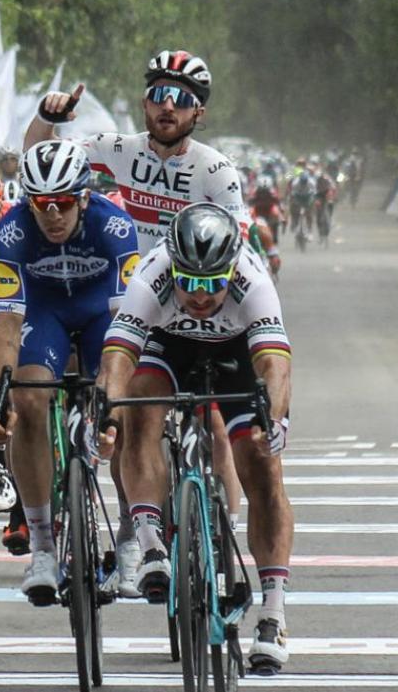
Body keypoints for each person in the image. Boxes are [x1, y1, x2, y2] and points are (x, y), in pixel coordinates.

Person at [27, 49, 250, 594]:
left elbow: (236, 247)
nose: (167, 106)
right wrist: (47, 117)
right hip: (135, 298)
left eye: (181, 99)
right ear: (145, 103)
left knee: (215, 424)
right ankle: (134, 537)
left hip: (197, 297)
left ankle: (225, 537)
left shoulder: (216, 171)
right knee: (130, 418)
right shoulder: (118, 150)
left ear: (198, 112)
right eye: (158, 95)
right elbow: (41, 162)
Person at [96, 202, 293, 673]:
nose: (201, 295)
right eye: (189, 283)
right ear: (174, 269)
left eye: (212, 284)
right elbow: (117, 359)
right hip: (168, 344)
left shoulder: (253, 281)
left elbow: (274, 366)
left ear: (231, 271)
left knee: (263, 468)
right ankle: (151, 544)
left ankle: (273, 612)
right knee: (138, 411)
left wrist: (272, 420)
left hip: (235, 349)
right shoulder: (152, 276)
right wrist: (106, 416)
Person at [0, 140, 138, 600]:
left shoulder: (115, 226)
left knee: (125, 405)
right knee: (29, 399)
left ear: (84, 197)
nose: (53, 214)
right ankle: (43, 548)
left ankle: (131, 537)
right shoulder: (11, 231)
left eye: (64, 202)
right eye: (41, 204)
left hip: (101, 313)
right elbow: (6, 325)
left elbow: (126, 327)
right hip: (44, 312)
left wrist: (111, 401)